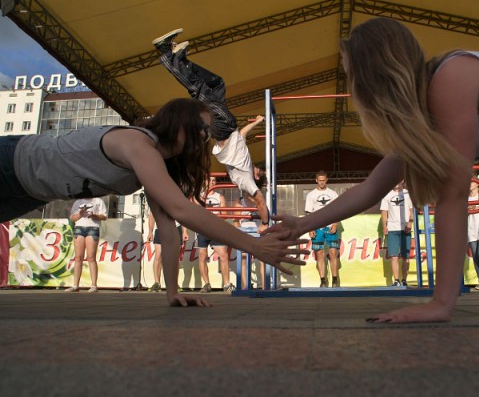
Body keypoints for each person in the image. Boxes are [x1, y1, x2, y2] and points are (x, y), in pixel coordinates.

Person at [265, 17, 479, 323]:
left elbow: (452, 194)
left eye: (351, 74)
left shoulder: (451, 79)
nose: (351, 86)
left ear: (374, 74)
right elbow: (372, 188)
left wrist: (440, 304)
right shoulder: (430, 113)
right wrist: (303, 224)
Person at [0, 97, 307, 307]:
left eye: (207, 132)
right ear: (179, 124)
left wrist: (173, 292)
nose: (206, 137)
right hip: (11, 162)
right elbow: (182, 209)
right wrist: (255, 246)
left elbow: (169, 228)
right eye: (201, 128)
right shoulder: (138, 143)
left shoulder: (157, 163)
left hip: (28, 191)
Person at [153, 29, 270, 232]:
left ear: (257, 177)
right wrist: (257, 122)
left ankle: (166, 53)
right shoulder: (245, 163)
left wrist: (265, 224)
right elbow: (242, 135)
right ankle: (182, 59)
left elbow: (260, 202)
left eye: (260, 171)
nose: (259, 169)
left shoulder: (246, 181)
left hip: (223, 128)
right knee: (217, 84)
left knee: (199, 92)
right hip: (228, 129)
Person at [193, 176, 234, 293]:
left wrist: (213, 218)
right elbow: (195, 213)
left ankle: (226, 284)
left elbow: (225, 214)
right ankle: (206, 284)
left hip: (216, 229)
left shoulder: (219, 197)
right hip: (202, 229)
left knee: (224, 255)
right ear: (205, 182)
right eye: (209, 180)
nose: (212, 182)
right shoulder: (198, 196)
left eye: (214, 180)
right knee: (202, 255)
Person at [304, 171, 340, 288]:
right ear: (316, 180)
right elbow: (308, 214)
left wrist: (335, 224)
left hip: (330, 226)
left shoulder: (333, 193)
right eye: (320, 180)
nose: (322, 182)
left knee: (333, 252)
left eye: (323, 180)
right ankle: (323, 280)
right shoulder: (311, 195)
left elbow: (339, 211)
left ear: (327, 180)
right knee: (319, 254)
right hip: (317, 227)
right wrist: (310, 228)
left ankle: (335, 279)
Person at [233, 170, 268, 290]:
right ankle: (244, 287)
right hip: (245, 232)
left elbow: (266, 215)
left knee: (263, 259)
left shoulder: (260, 201)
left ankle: (265, 287)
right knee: (243, 258)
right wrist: (239, 236)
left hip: (259, 231)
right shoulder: (239, 203)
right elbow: (236, 222)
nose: (245, 190)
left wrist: (255, 202)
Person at [65, 197, 107, 292]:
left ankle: (93, 285)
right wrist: (80, 214)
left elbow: (104, 216)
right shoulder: (78, 201)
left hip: (93, 228)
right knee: (78, 257)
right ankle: (75, 285)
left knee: (91, 257)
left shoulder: (98, 201)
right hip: (79, 228)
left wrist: (93, 216)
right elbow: (72, 218)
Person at [380, 181, 414, 288]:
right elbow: (384, 212)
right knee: (394, 256)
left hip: (405, 229)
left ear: (402, 181)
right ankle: (396, 280)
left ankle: (404, 280)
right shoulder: (386, 195)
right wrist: (385, 226)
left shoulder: (407, 194)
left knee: (405, 257)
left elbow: (412, 210)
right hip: (392, 229)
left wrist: (410, 222)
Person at [146, 210, 188, 292]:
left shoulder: (176, 199)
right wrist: (150, 231)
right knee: (158, 255)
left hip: (175, 228)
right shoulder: (156, 200)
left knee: (175, 257)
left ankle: (174, 284)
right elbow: (152, 215)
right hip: (160, 228)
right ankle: (157, 283)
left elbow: (182, 216)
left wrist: (185, 231)